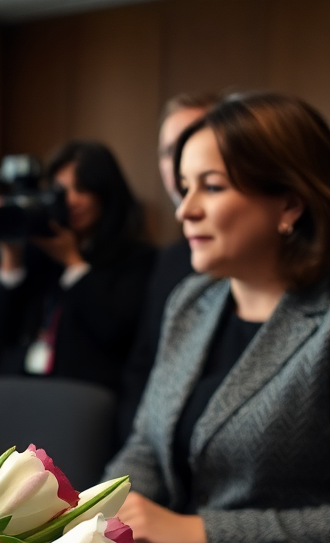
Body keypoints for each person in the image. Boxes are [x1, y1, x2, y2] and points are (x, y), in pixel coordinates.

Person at [105, 93, 330, 543]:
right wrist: (105, 515)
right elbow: (145, 448)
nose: (185, 211)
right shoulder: (191, 301)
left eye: (212, 187)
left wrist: (199, 529)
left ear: (290, 204)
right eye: (184, 188)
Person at [0, 141, 155, 395]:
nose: (70, 201)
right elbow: (3, 331)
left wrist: (72, 263)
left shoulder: (138, 258)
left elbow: (117, 333)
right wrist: (11, 256)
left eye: (82, 189)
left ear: (105, 194)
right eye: (59, 190)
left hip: (85, 402)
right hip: (26, 393)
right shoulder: (40, 252)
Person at [117, 92, 217, 442]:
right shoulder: (170, 259)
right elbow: (144, 367)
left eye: (190, 141)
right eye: (167, 151)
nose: (177, 161)